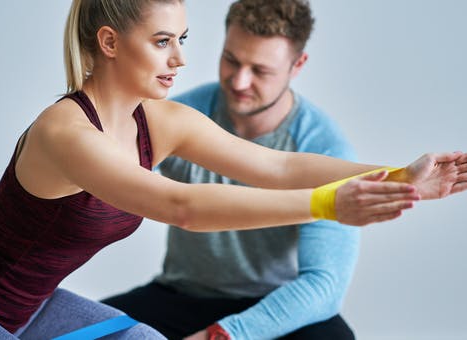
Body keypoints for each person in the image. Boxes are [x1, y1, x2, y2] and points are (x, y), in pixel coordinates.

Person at [0, 0, 467, 339]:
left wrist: (401, 176)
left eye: (183, 38)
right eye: (162, 41)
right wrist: (327, 204)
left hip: (32, 306)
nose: (181, 58)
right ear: (111, 42)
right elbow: (182, 207)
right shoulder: (66, 133)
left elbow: (278, 165)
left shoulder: (161, 119)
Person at [101, 0, 361, 339]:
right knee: (78, 331)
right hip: (178, 297)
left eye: (260, 71)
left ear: (297, 65)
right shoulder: (178, 116)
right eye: (231, 60)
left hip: (272, 306)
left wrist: (226, 334)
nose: (239, 82)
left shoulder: (323, 148)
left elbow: (323, 285)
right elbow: (107, 171)